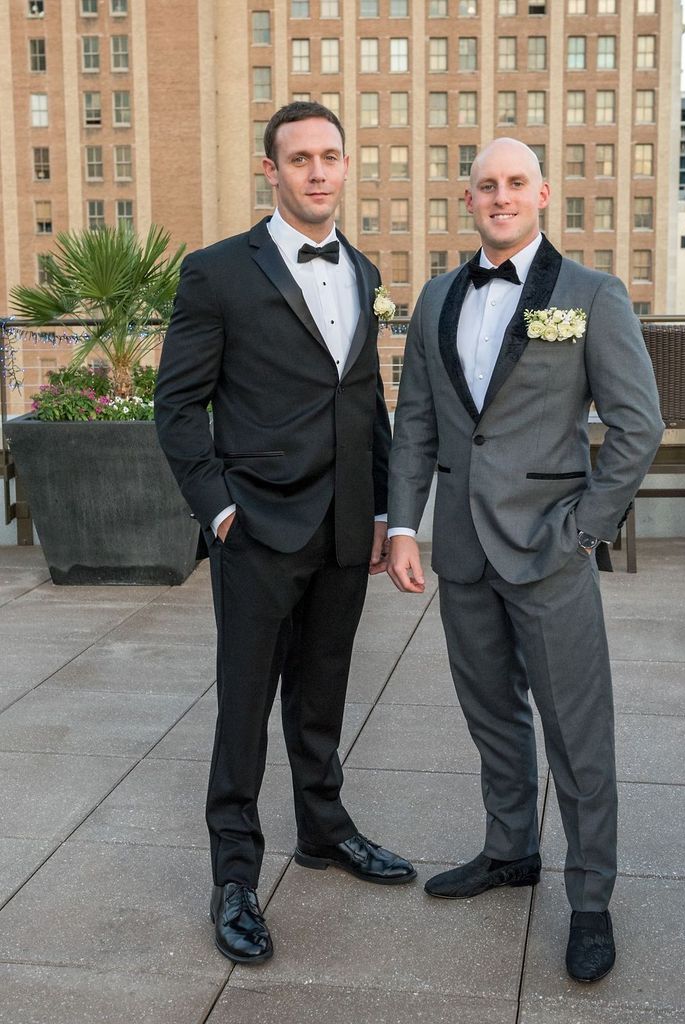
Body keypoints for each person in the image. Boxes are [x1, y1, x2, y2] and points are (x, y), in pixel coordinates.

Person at [386, 138, 664, 983]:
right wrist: (404, 528)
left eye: (515, 183)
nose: (500, 197)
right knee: (491, 715)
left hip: (550, 550)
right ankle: (509, 849)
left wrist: (584, 528)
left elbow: (636, 424)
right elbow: (418, 425)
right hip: (463, 553)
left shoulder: (589, 294)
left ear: (542, 193)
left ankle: (590, 898)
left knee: (578, 734)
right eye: (485, 185)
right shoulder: (437, 298)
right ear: (465, 199)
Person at [155, 101, 416, 967]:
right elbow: (177, 405)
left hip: (346, 526)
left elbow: (364, 400)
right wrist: (219, 509)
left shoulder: (366, 270)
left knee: (323, 694)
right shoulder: (218, 272)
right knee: (243, 709)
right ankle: (235, 876)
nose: (316, 170)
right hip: (258, 527)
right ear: (271, 171)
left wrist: (382, 510)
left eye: (329, 156)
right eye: (299, 158)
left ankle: (324, 830)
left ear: (345, 167)